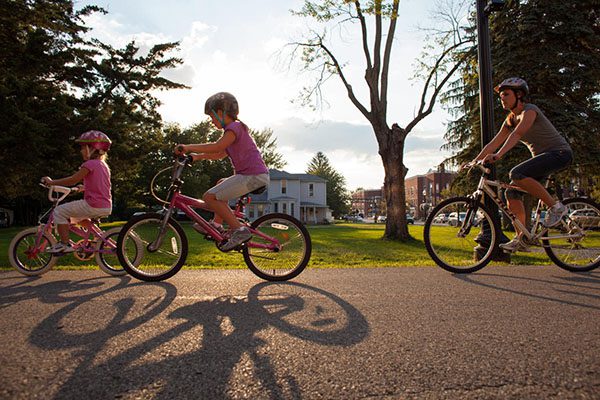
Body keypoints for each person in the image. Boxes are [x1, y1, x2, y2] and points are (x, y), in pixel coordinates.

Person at [471, 77, 573, 253]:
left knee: (516, 173)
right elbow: (493, 143)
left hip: (559, 154)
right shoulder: (511, 119)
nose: (502, 98)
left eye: (505, 94)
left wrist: (498, 155)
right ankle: (522, 238)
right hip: (543, 159)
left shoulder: (530, 111)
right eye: (501, 95)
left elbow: (518, 134)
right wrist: (474, 161)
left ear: (519, 95)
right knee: (510, 191)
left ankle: (557, 208)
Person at [175, 92, 269, 251]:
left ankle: (240, 231)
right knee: (220, 185)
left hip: (253, 176)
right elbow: (220, 153)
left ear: (220, 113)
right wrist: (198, 157)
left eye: (211, 116)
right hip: (252, 176)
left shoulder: (234, 128)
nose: (211, 121)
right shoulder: (233, 131)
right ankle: (217, 225)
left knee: (209, 197)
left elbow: (217, 146)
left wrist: (188, 147)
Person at [41, 131, 113, 254]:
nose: (81, 151)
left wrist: (52, 182)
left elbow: (73, 179)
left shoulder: (89, 164)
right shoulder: (103, 165)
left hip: (93, 204)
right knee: (74, 217)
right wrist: (84, 187)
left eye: (83, 148)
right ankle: (98, 236)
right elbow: (99, 185)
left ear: (92, 148)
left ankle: (65, 244)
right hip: (105, 205)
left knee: (59, 211)